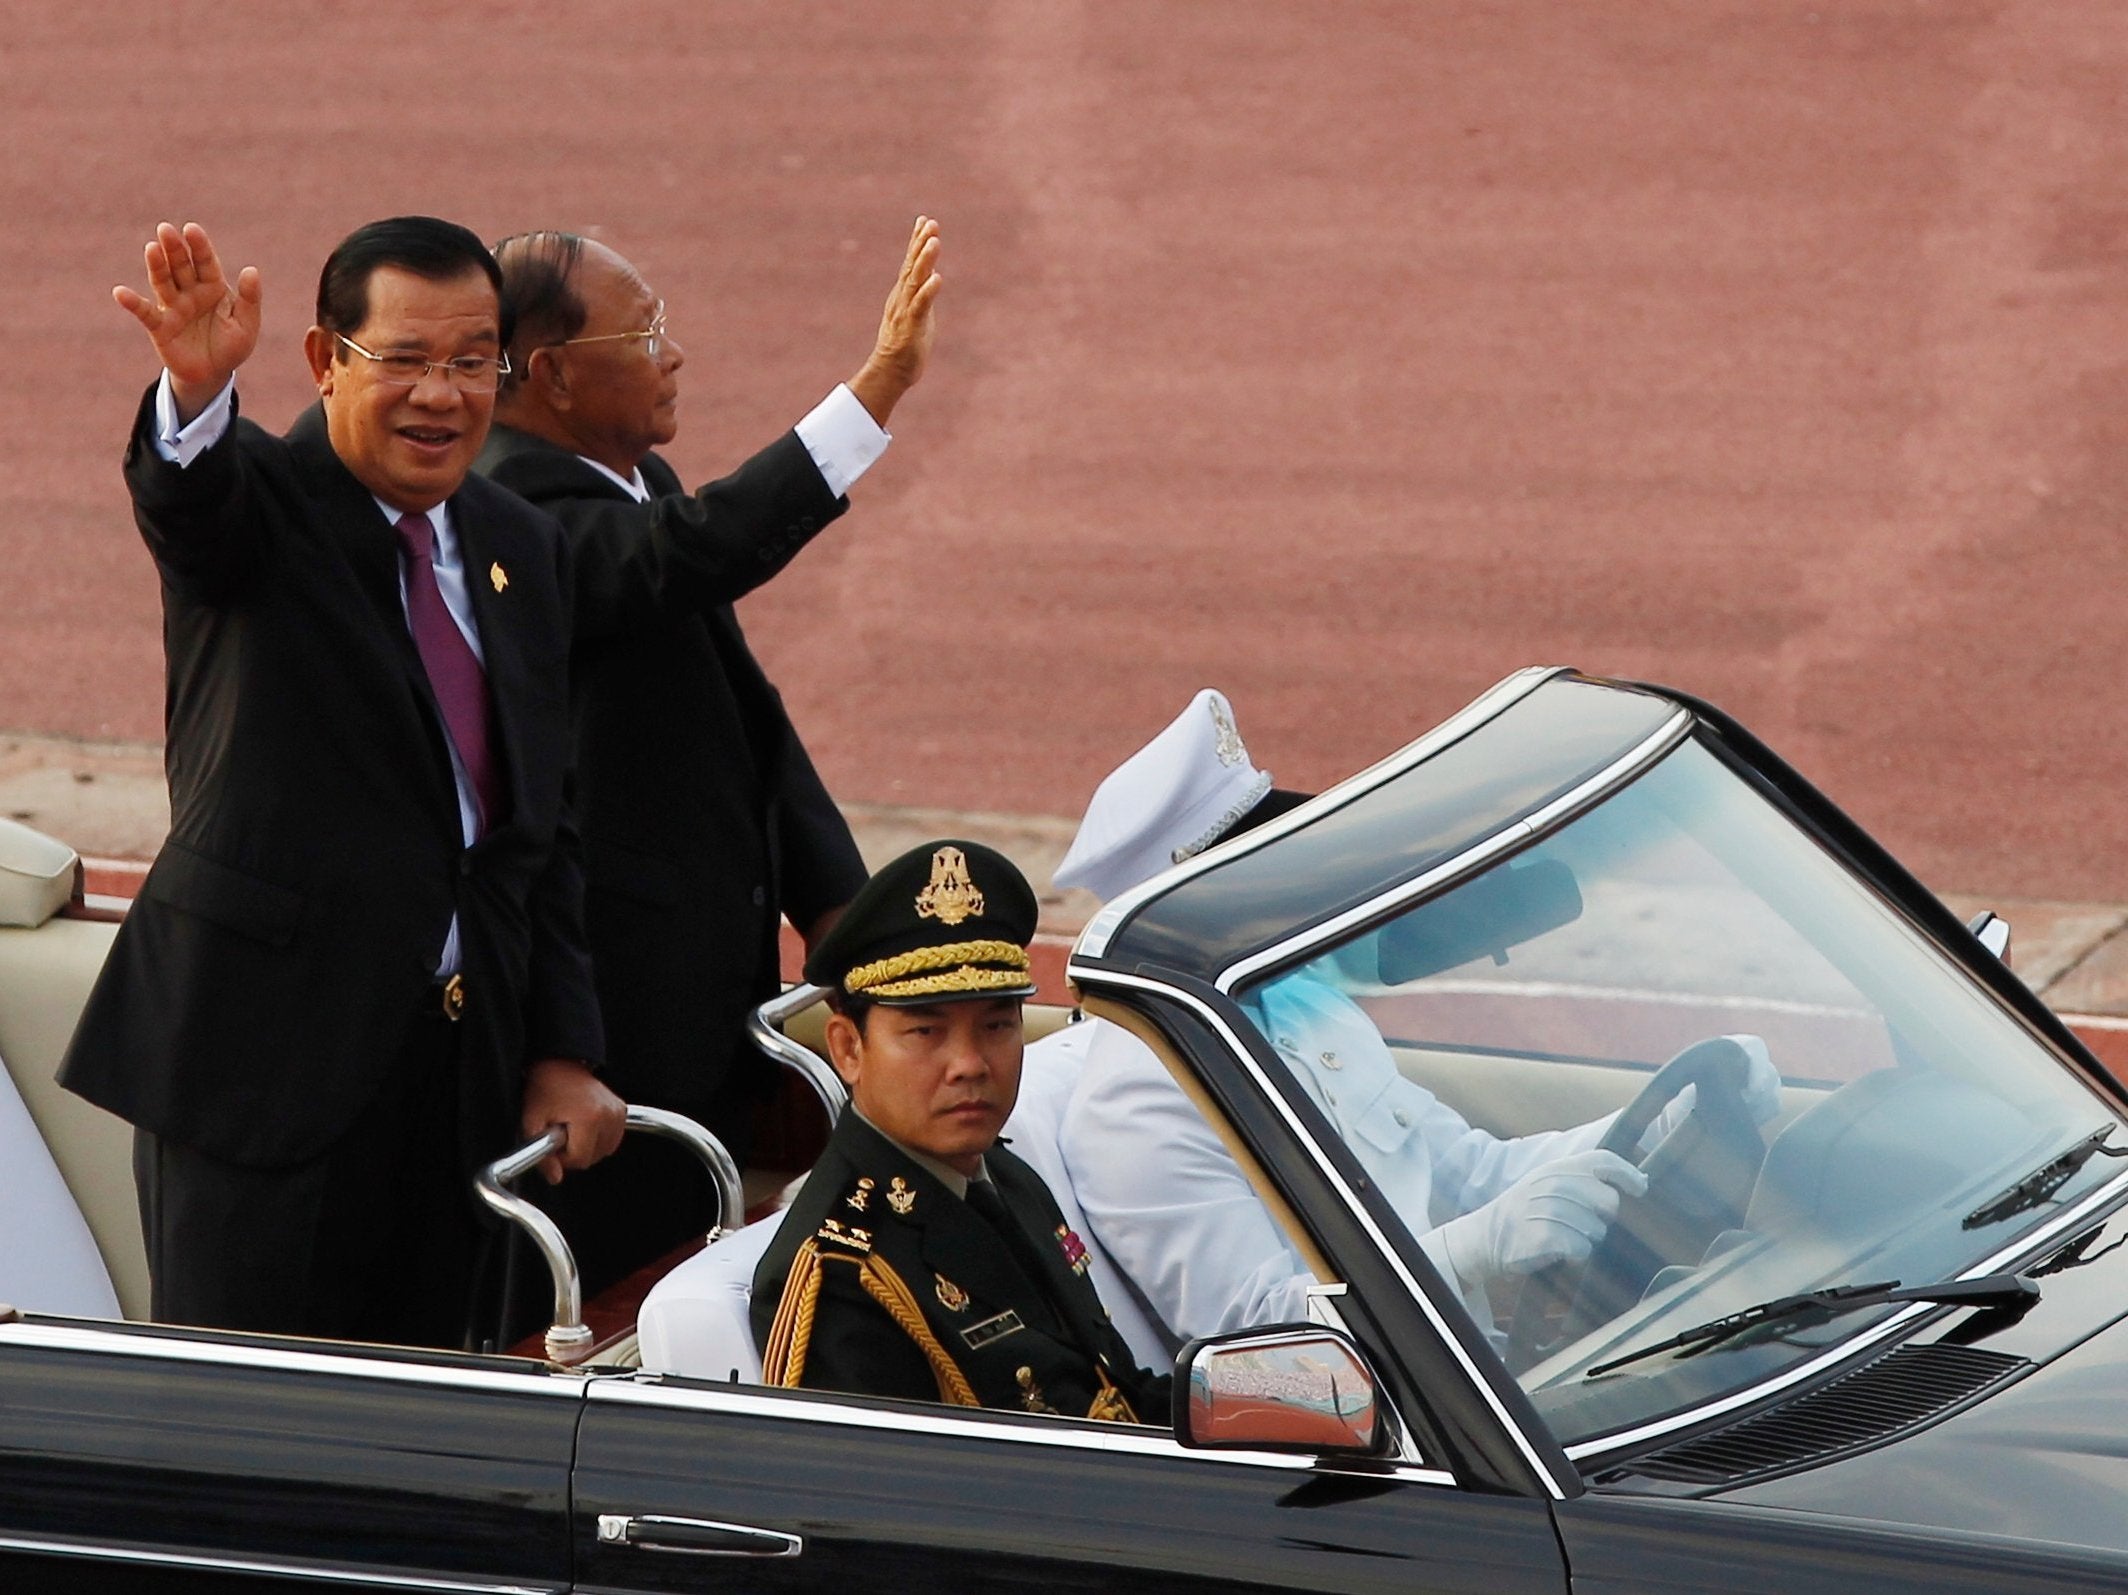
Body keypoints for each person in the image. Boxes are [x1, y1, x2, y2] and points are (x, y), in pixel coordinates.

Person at [62, 219, 625, 1348]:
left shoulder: (519, 541)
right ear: (325, 361)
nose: (442, 395)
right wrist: (192, 387)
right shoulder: (265, 507)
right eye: (403, 361)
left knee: (423, 1424)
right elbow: (190, 501)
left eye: (472, 362)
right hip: (263, 1073)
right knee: (244, 1431)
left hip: (454, 1080)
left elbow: (539, 827)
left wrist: (564, 1045)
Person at [472, 220, 941, 1296]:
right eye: (645, 333)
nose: (672, 354)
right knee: (626, 1285)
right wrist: (872, 393)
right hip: (612, 1022)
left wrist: (840, 908)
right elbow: (687, 552)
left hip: (704, 995)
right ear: (550, 373)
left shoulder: (632, 478)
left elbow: (748, 715)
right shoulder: (515, 506)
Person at [1049, 691, 1783, 1346]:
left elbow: (1470, 1172)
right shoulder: (1137, 1099)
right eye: (1254, 869)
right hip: (1378, 1443)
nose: (1292, 881)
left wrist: (1654, 1121)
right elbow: (1260, 1334)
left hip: (1476, 1383)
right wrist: (1471, 1250)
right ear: (1186, 907)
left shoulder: (1302, 1006)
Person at [752, 840, 1169, 1422]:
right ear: (848, 1050)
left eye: (997, 1025)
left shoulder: (1005, 1178)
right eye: (926, 1033)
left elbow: (1109, 1389)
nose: (970, 1064)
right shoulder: (847, 1273)